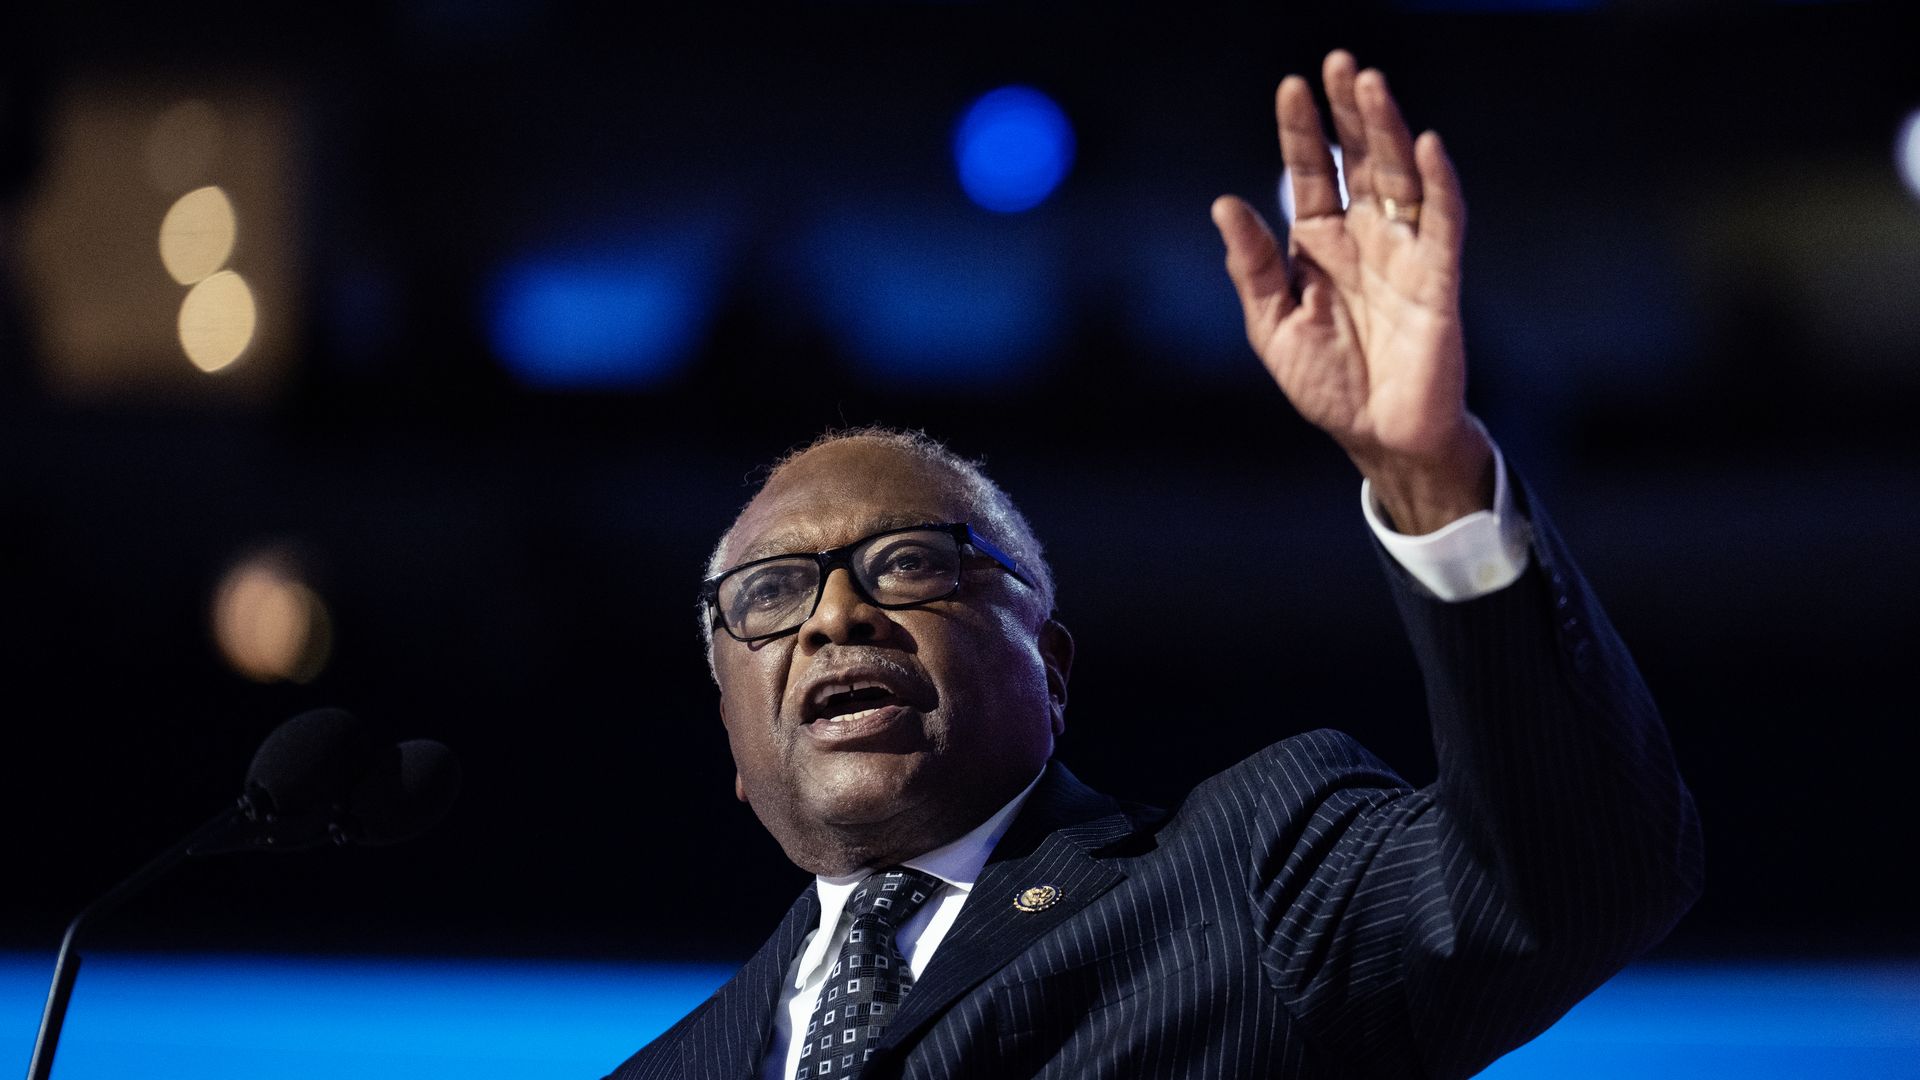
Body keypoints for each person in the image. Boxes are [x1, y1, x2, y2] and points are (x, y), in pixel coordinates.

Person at [608, 50, 1702, 1080]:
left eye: (907, 563)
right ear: (734, 748)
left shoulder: (1252, 879)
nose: (836, 616)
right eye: (769, 594)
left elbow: (1571, 883)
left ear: (1051, 663)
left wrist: (1433, 479)